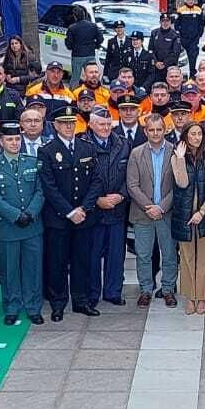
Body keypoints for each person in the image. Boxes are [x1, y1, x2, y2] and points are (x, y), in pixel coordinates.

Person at [40, 108, 100, 320]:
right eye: (63, 123)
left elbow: (96, 181)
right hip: (59, 218)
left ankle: (81, 300)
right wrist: (69, 211)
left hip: (84, 216)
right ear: (55, 125)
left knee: (81, 260)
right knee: (57, 262)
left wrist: (83, 208)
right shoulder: (47, 150)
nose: (68, 126)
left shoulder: (87, 148)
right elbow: (48, 186)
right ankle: (58, 303)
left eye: (71, 122)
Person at [0, 121, 44, 327]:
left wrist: (31, 213)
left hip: (32, 226)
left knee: (33, 268)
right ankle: (11, 307)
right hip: (9, 226)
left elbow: (40, 191)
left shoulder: (32, 162)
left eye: (18, 138)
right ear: (1, 141)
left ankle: (33, 307)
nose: (15, 143)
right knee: (9, 270)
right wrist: (16, 215)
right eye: (10, 139)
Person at [126, 114, 178, 308]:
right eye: (151, 130)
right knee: (143, 255)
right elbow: (132, 185)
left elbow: (178, 185)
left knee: (170, 254)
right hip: (143, 214)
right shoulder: (136, 153)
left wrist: (162, 207)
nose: (155, 133)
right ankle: (146, 290)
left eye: (159, 129)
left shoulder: (175, 152)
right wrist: (149, 207)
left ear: (165, 130)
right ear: (145, 131)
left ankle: (168, 289)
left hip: (167, 213)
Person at [83, 108, 129, 307]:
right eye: (101, 124)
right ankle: (92, 293)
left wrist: (121, 195)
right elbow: (78, 181)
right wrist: (97, 200)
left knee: (116, 254)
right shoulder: (82, 145)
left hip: (117, 209)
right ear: (91, 125)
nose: (105, 128)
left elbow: (131, 176)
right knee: (91, 256)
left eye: (108, 124)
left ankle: (113, 292)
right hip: (94, 211)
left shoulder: (123, 144)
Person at [171, 123, 205, 315]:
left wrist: (203, 211)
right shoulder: (177, 154)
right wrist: (180, 159)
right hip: (184, 215)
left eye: (199, 134)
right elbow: (182, 183)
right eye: (192, 134)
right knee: (187, 258)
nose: (196, 137)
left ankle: (203, 296)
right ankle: (191, 296)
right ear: (186, 136)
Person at [65, 8, 103, 81]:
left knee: (75, 78)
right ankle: (94, 91)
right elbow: (101, 39)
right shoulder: (93, 26)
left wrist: (74, 47)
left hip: (77, 55)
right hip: (90, 54)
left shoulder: (72, 28)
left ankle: (73, 92)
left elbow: (69, 45)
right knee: (92, 76)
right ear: (84, 15)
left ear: (75, 16)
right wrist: (95, 46)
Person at [174, 0, 205, 72]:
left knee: (193, 55)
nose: (191, 1)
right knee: (182, 56)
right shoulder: (181, 10)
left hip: (194, 38)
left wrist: (199, 35)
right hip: (183, 38)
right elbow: (176, 24)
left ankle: (192, 71)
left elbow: (202, 24)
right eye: (189, 0)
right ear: (186, 0)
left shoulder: (198, 10)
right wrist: (179, 34)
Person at [149, 9, 184, 79]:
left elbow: (176, 52)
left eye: (167, 21)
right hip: (156, 68)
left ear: (170, 22)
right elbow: (150, 50)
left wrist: (164, 63)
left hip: (169, 68)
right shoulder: (154, 33)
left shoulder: (175, 35)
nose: (165, 23)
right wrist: (156, 62)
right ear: (160, 22)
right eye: (163, 21)